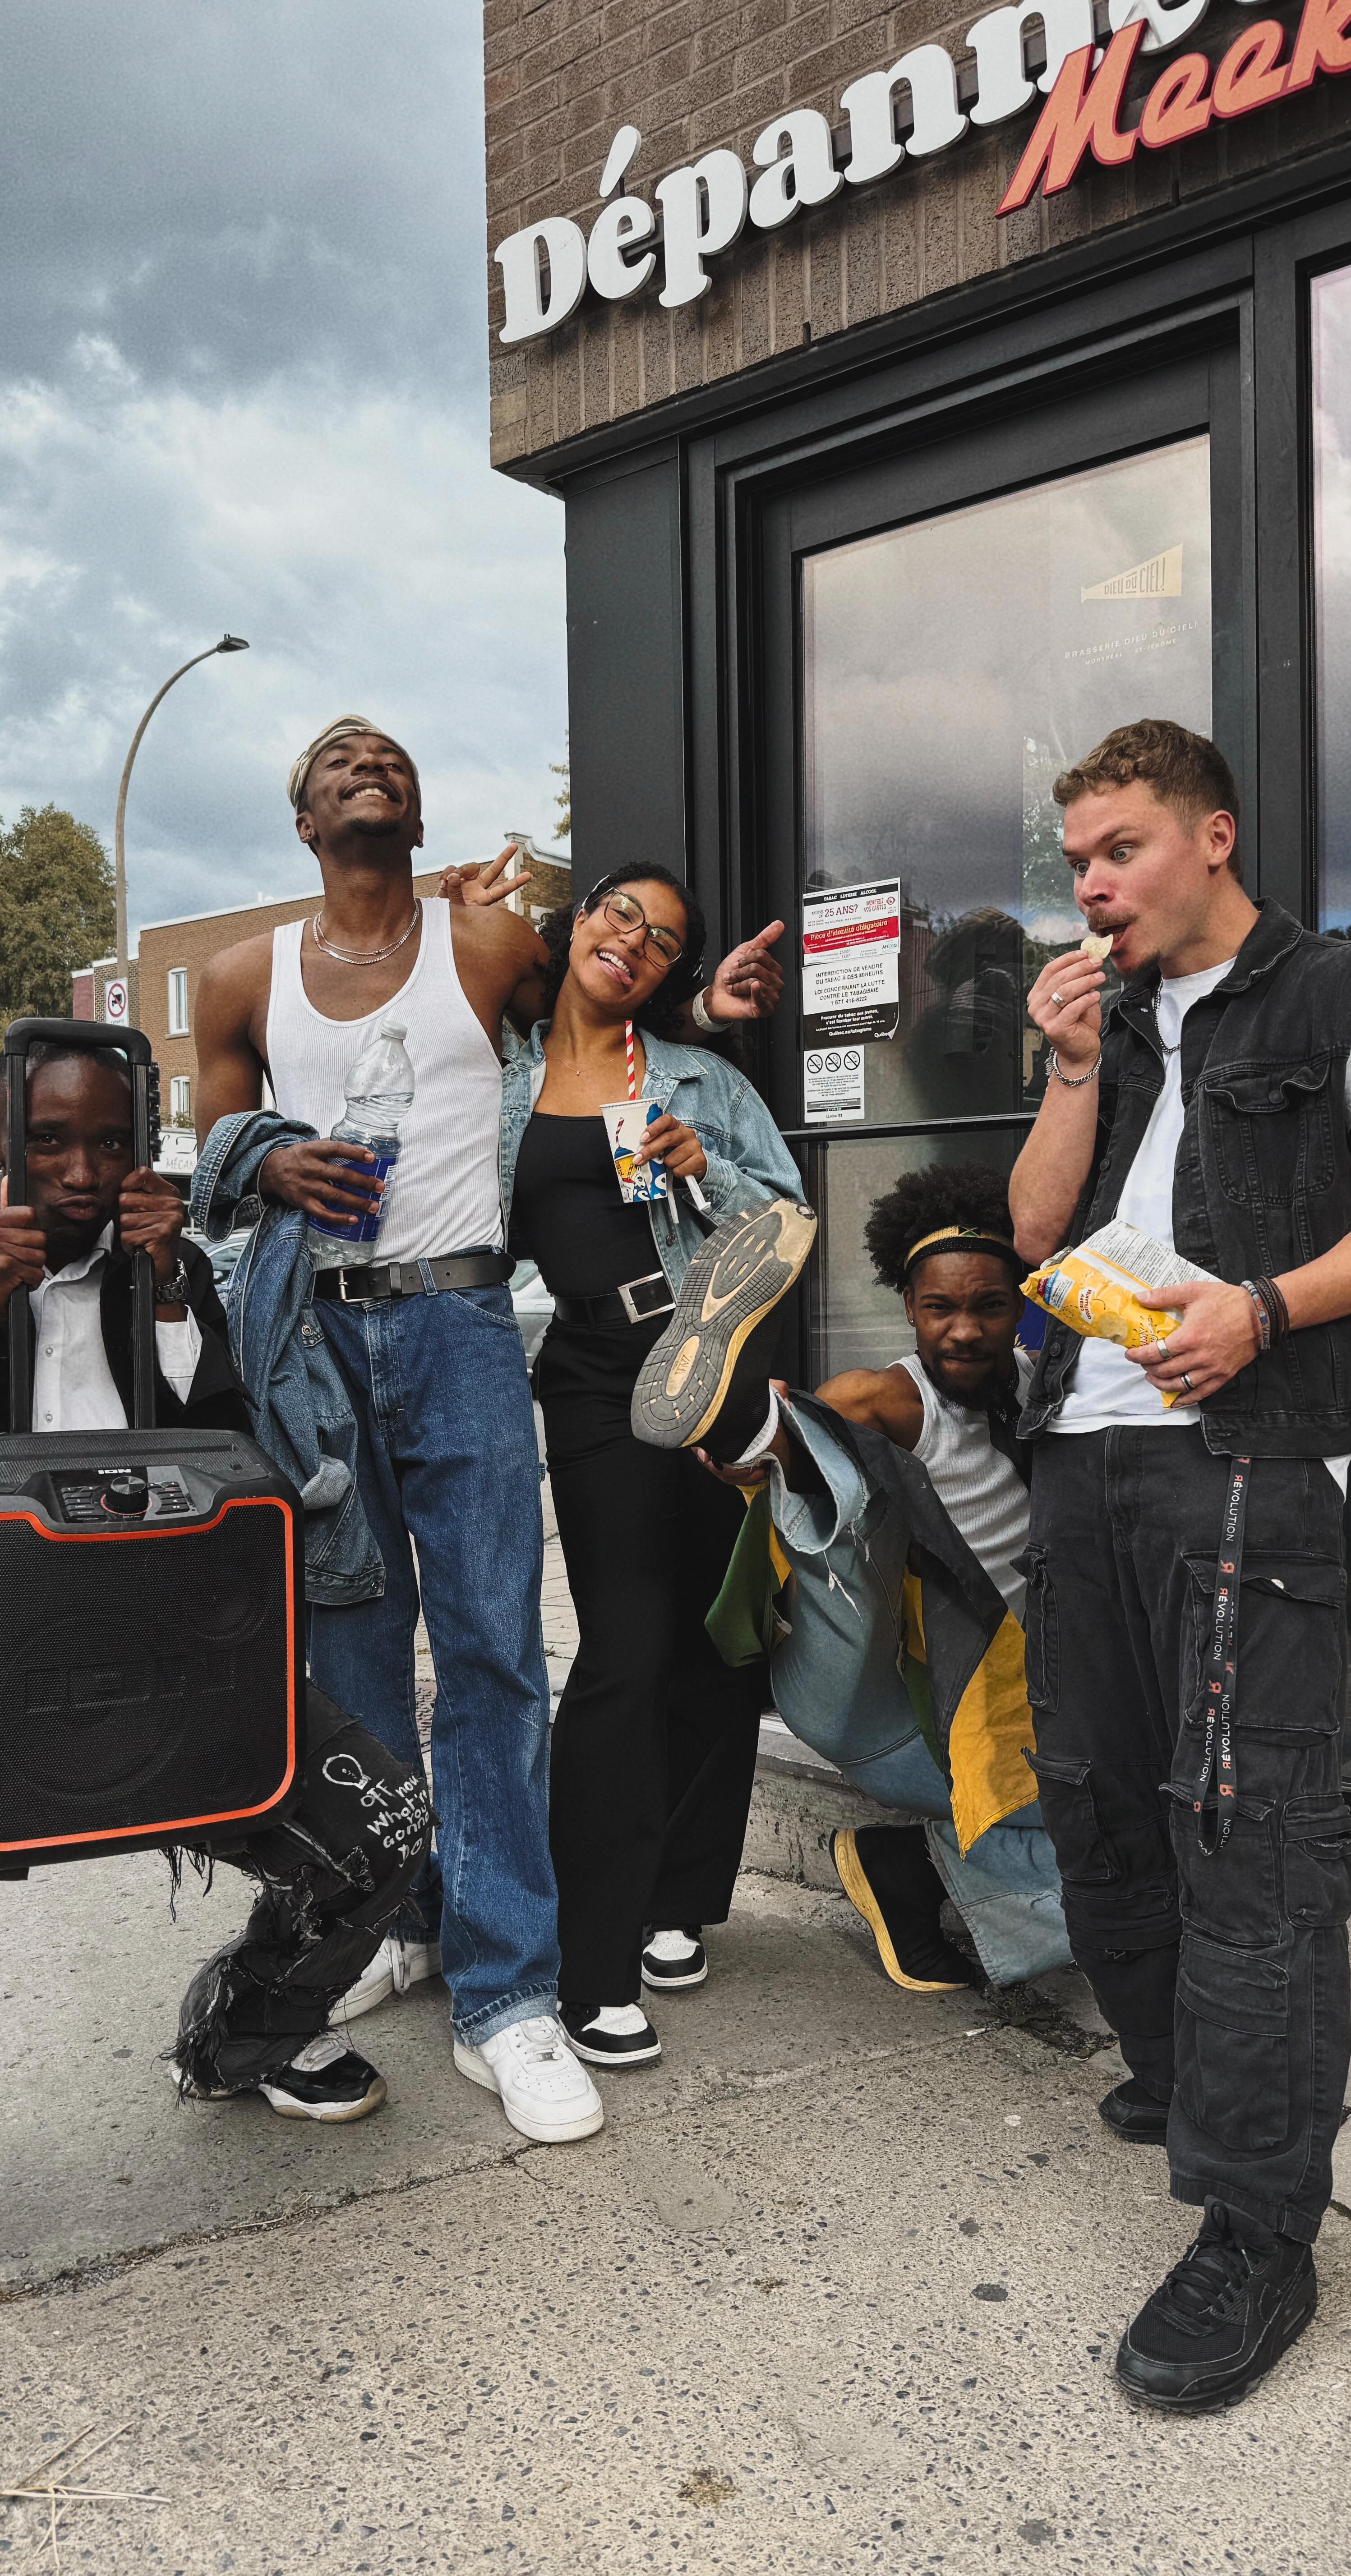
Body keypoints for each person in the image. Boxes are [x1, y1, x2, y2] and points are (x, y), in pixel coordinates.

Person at [193, 717, 784, 2147]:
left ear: (419, 811)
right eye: (338, 762)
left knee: (497, 1660)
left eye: (391, 760)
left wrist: (709, 1015)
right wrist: (274, 1162)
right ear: (303, 817)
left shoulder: (488, 943)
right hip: (319, 1341)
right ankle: (394, 1920)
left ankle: (508, 1993)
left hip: (461, 1328)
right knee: (355, 1664)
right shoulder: (238, 977)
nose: (368, 767)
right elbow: (215, 1171)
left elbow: (610, 1026)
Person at [1009, 717, 1351, 2411]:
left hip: (1250, 1457)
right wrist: (1066, 1068)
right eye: (1076, 861)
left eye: (1118, 849)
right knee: (1098, 1796)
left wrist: (1263, 1310)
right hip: (1084, 1450)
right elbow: (1035, 1231)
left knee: (1251, 1836)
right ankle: (1187, 2074)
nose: (1092, 886)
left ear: (1212, 836)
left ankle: (1259, 2227)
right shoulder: (1114, 1024)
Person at [0, 1040, 431, 2121]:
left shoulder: (171, 1270)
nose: (82, 1172)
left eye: (111, 1143)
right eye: (48, 1141)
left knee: (383, 1826)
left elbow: (232, 1450)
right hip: (16, 1659)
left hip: (170, 1653)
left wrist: (168, 1291)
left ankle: (253, 2031)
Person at [498, 862, 811, 2068]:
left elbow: (783, 1219)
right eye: (620, 914)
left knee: (718, 1641)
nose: (634, 939)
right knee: (624, 1651)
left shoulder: (697, 1079)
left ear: (673, 972)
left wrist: (703, 1166)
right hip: (592, 1371)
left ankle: (681, 1897)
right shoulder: (503, 1072)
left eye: (665, 938)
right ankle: (593, 1957)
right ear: (581, 921)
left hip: (709, 1347)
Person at [695, 1162, 1070, 1994]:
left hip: (1007, 1699)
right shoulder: (889, 1399)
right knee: (1120, 1837)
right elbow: (811, 1435)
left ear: (1022, 1305)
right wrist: (757, 1446)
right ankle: (914, 1869)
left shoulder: (1042, 1388)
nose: (964, 1331)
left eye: (989, 1306)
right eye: (940, 1308)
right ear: (908, 1306)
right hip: (884, 1702)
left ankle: (905, 1869)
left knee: (1135, 1835)